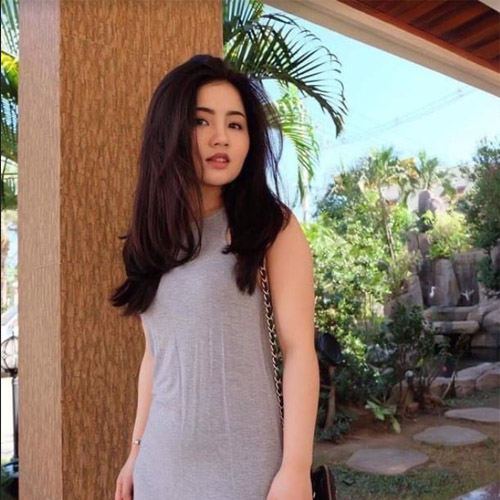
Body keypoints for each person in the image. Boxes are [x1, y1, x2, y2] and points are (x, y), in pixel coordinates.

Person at [110, 54, 319, 500]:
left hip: (246, 472)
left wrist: (296, 469)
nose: (220, 136)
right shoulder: (153, 239)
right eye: (201, 121)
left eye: (235, 124)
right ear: (170, 131)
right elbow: (155, 357)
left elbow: (300, 350)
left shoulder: (271, 227)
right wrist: (135, 452)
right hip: (159, 471)